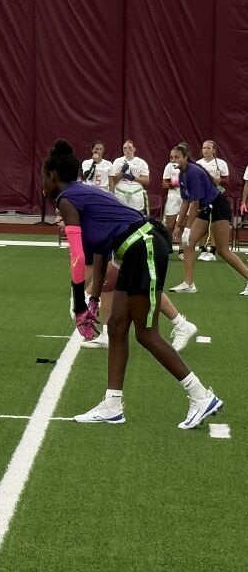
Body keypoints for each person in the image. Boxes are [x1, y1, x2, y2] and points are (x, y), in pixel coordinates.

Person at [42, 138, 222, 429]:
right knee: (115, 326)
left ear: (52, 176)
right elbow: (99, 252)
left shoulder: (67, 199)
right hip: (133, 249)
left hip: (143, 245)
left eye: (43, 177)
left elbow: (77, 256)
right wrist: (93, 301)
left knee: (146, 333)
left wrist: (78, 305)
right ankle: (112, 404)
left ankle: (201, 396)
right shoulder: (83, 193)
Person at [168, 142, 248, 295]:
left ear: (185, 157)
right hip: (206, 209)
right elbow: (185, 200)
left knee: (223, 250)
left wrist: (188, 227)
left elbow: (194, 202)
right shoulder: (181, 174)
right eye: (171, 157)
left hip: (217, 207)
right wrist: (179, 225)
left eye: (177, 157)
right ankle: (189, 284)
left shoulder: (193, 172)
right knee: (189, 242)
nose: (173, 160)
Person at [79, 254, 197, 352]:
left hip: (137, 235)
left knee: (141, 285)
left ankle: (181, 324)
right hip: (124, 232)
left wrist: (87, 295)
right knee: (112, 281)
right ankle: (108, 333)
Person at [194, 140, 229, 261]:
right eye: (204, 148)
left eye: (209, 148)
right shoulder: (198, 164)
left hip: (216, 197)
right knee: (202, 224)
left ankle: (212, 250)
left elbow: (226, 181)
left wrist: (213, 179)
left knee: (214, 224)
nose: (206, 150)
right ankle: (202, 249)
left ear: (214, 150)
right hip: (203, 198)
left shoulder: (221, 163)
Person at [111, 140, 149, 211]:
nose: (127, 150)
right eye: (124, 148)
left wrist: (133, 178)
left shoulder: (141, 162)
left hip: (136, 194)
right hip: (120, 194)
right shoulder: (117, 161)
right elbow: (113, 181)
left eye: (129, 148)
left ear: (134, 149)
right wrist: (122, 172)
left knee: (136, 217)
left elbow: (146, 181)